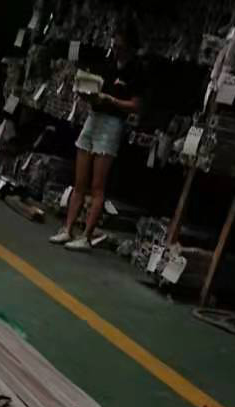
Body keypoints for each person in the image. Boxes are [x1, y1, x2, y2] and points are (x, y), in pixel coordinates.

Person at [50, 21, 143, 251]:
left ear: (130, 47)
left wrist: (112, 100)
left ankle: (86, 236)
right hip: (94, 118)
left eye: (120, 46)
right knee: (79, 181)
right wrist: (89, 95)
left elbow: (136, 105)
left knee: (97, 186)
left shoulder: (136, 71)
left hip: (112, 124)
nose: (116, 50)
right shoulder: (108, 64)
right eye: (114, 45)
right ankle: (67, 229)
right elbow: (96, 88)